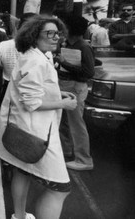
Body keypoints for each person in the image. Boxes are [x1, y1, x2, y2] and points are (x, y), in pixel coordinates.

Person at [0, 15, 77, 219]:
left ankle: (19, 216)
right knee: (61, 188)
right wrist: (63, 103)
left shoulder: (35, 56)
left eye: (57, 33)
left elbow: (33, 90)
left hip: (24, 130)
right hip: (37, 134)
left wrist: (58, 94)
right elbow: (32, 103)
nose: (56, 37)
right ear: (34, 36)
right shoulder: (36, 60)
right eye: (49, 33)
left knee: (22, 171)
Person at [56, 15, 95, 171]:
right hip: (65, 84)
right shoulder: (68, 44)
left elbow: (88, 72)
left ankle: (84, 159)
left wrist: (64, 62)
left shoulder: (84, 47)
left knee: (76, 124)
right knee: (64, 121)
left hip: (75, 86)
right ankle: (67, 151)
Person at [0, 13, 37, 113]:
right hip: (33, 92)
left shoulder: (4, 45)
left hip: (8, 89)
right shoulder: (44, 50)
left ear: (18, 26)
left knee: (5, 119)